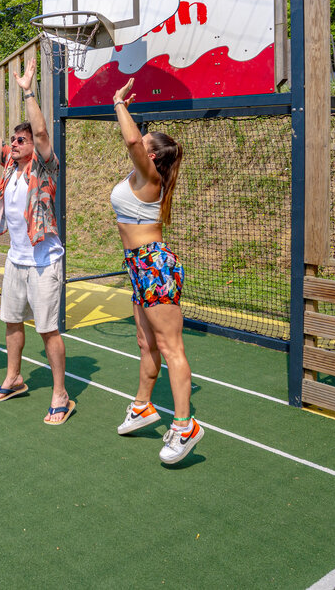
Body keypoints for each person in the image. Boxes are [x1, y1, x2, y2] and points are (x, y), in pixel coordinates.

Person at [0, 56, 73, 425]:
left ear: (32, 145)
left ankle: (61, 394)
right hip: (16, 259)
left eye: (20, 140)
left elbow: (43, 134)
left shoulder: (45, 167)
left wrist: (28, 92)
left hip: (45, 261)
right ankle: (14, 378)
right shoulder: (10, 165)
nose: (12, 143)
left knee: (47, 328)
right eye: (13, 139)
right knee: (11, 321)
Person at [108, 78, 201, 464]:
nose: (137, 144)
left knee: (169, 347)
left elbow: (132, 141)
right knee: (146, 344)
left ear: (152, 156)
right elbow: (134, 143)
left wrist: (118, 103)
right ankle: (144, 406)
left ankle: (185, 426)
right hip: (138, 264)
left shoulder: (151, 178)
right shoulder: (139, 177)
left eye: (146, 145)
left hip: (153, 265)